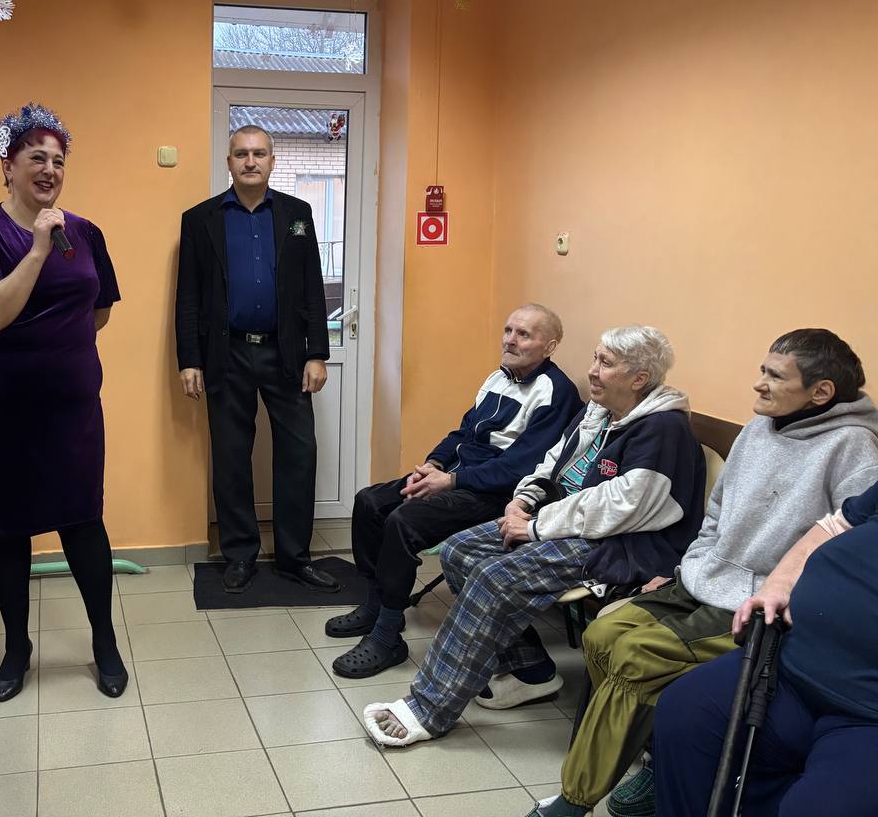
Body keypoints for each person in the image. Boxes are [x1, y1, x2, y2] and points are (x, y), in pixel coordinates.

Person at [529, 329, 878, 817]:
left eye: (775, 376)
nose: (758, 383)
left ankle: (576, 799)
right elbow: (715, 516)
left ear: (820, 392)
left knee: (634, 657)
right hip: (703, 577)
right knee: (602, 634)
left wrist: (774, 591)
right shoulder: (759, 428)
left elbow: (840, 552)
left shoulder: (854, 448)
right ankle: (662, 754)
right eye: (762, 370)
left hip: (754, 603)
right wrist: (687, 567)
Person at [360, 326, 706, 747]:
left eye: (605, 363)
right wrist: (523, 500)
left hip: (621, 542)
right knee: (458, 550)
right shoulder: (600, 412)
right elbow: (552, 461)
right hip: (561, 519)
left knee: (494, 577)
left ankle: (427, 708)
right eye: (595, 358)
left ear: (639, 378)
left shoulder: (664, 429)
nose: (592, 371)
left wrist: (537, 526)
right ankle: (531, 670)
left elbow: (624, 506)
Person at [0, 103, 127, 704]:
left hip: (70, 406)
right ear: (7, 166)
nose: (49, 170)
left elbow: (99, 310)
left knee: (83, 520)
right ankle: (17, 647)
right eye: (36, 158)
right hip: (1, 408)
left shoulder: (85, 232)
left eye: (58, 161)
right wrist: (39, 249)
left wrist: (57, 351)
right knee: (9, 526)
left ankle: (104, 641)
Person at [327, 304, 583, 679]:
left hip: (497, 494)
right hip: (456, 476)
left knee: (403, 521)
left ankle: (387, 636)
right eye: (508, 330)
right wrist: (433, 464)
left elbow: (521, 466)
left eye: (524, 334)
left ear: (551, 346)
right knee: (370, 502)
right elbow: (462, 433)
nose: (510, 340)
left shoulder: (556, 392)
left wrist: (451, 482)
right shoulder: (497, 378)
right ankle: (375, 603)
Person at [653, 475, 878, 816]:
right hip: (786, 665)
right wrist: (779, 584)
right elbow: (834, 526)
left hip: (866, 715)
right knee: (685, 712)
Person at [174, 125, 335, 594]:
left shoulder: (297, 214)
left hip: (286, 355)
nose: (250, 161)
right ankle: (240, 555)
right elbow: (188, 295)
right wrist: (189, 360)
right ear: (229, 162)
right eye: (241, 154)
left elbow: (311, 287)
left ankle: (294, 557)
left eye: (259, 153)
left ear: (272, 161)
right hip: (226, 355)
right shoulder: (200, 219)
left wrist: (317, 353)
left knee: (299, 454)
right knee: (230, 457)